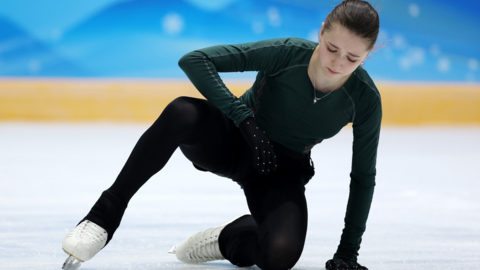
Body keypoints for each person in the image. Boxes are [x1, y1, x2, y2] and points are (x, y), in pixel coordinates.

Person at [61, 0, 381, 269]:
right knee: (182, 111)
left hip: (279, 171)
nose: (337, 63)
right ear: (322, 30)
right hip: (232, 138)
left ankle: (228, 237)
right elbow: (195, 60)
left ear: (367, 55)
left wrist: (347, 253)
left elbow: (363, 177)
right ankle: (103, 218)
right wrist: (243, 119)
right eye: (332, 48)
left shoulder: (364, 99)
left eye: (352, 58)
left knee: (280, 255)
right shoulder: (288, 54)